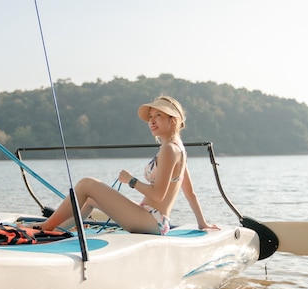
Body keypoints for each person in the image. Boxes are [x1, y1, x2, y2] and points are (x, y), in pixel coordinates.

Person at [36, 95, 218, 235]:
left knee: (86, 184)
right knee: (91, 198)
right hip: (152, 218)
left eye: (159, 115)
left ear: (173, 120)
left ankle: (44, 227)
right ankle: (57, 230)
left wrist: (131, 180)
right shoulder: (178, 148)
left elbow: (158, 195)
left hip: (151, 221)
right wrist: (202, 223)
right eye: (151, 117)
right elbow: (190, 192)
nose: (152, 121)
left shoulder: (170, 149)